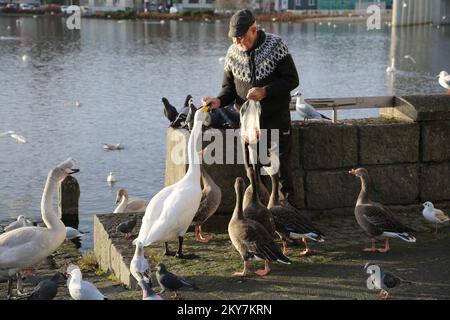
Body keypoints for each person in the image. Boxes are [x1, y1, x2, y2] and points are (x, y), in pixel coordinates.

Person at [202, 9, 299, 204]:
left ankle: (292, 224)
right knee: (253, 175)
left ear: (253, 30)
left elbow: (292, 80)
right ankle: (261, 221)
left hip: (275, 123)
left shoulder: (276, 45)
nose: (237, 42)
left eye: (241, 37)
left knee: (281, 176)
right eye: (234, 38)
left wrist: (265, 91)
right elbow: (229, 89)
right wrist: (219, 101)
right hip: (248, 127)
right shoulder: (232, 53)